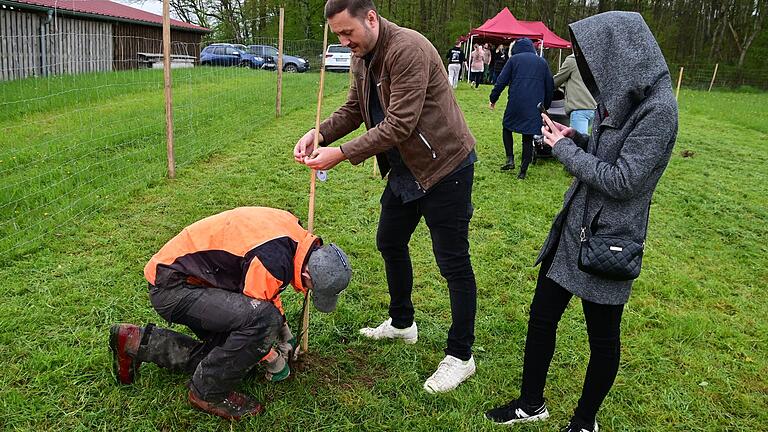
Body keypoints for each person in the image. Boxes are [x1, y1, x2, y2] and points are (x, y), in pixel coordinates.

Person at [484, 12, 678, 432]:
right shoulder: (627, 96)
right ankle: (530, 403)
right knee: (542, 317)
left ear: (623, 54)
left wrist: (564, 153)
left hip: (609, 242)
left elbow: (625, 180)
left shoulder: (659, 110)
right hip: (575, 227)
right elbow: (612, 153)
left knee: (602, 339)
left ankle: (584, 422)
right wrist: (578, 139)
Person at [293, 0, 479, 394]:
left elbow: (399, 124)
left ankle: (461, 356)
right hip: (406, 170)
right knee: (389, 241)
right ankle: (401, 324)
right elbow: (354, 110)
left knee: (453, 263)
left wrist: (340, 154)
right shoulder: (363, 56)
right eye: (338, 36)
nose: (344, 42)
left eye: (348, 32)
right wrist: (321, 134)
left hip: (446, 166)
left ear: (371, 18)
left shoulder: (408, 48)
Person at [109, 207, 352, 420]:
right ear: (309, 275)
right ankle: (207, 392)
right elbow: (259, 313)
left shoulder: (293, 235)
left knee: (231, 353)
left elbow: (265, 292)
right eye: (312, 289)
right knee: (258, 328)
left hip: (195, 277)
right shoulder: (273, 259)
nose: (308, 291)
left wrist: (284, 333)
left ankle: (135, 341)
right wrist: (274, 360)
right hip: (174, 288)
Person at [489, 38, 553, 177]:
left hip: (515, 102)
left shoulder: (514, 60)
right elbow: (550, 86)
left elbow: (501, 81)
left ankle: (510, 159)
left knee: (507, 127)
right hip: (534, 105)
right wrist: (545, 106)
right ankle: (523, 170)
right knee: (528, 136)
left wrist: (493, 98)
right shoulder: (542, 62)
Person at [553, 53, 597, 134]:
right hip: (594, 108)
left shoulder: (572, 60)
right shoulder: (595, 59)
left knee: (579, 143)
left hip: (579, 109)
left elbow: (556, 82)